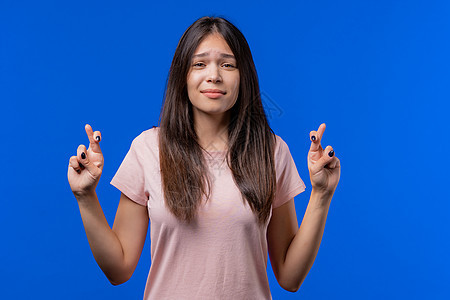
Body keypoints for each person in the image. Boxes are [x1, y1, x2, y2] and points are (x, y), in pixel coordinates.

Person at [67, 16, 340, 299]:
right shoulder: (147, 148)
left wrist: (321, 194)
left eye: (227, 64)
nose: (214, 75)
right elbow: (119, 269)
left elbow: (290, 276)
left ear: (243, 76)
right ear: (182, 75)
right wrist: (85, 196)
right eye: (200, 64)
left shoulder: (271, 151)